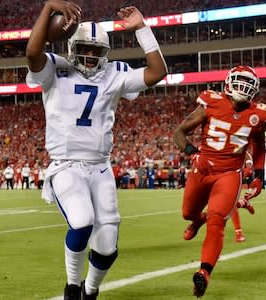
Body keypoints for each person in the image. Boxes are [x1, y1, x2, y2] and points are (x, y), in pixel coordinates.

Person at [25, 1, 167, 299]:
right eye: (85, 50)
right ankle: (73, 286)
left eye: (96, 51)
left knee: (108, 245)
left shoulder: (115, 74)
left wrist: (142, 28)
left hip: (101, 167)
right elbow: (32, 53)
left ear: (106, 54)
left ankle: (91, 290)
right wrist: (48, 7)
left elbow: (157, 73)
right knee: (82, 221)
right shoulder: (54, 69)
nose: (90, 57)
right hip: (65, 165)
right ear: (71, 47)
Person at [173, 65, 266, 297]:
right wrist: (192, 151)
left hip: (230, 174)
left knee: (217, 222)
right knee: (188, 213)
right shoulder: (211, 102)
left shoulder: (259, 115)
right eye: (239, 82)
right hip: (203, 168)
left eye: (248, 84)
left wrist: (258, 176)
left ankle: (204, 272)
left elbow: (259, 147)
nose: (243, 88)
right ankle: (199, 220)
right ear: (227, 83)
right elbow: (179, 132)